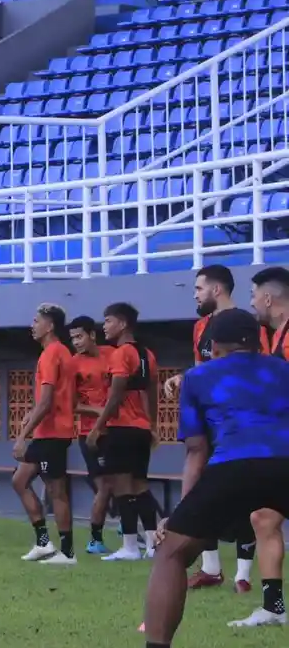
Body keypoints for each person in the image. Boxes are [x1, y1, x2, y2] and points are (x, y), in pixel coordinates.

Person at [144, 308, 289, 646]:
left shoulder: (198, 377)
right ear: (258, 342)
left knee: (171, 554)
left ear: (215, 346)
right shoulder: (284, 370)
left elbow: (196, 451)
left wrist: (181, 513)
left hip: (232, 466)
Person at [164, 265, 261, 590]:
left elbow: (256, 368)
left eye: (198, 288)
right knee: (204, 487)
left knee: (247, 492)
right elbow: (202, 367)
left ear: (216, 289)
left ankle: (244, 575)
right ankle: (210, 568)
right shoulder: (200, 327)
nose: (195, 295)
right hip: (209, 417)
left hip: (241, 420)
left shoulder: (247, 323)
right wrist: (183, 378)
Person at [87, 302, 160, 562]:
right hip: (141, 429)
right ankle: (153, 543)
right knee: (140, 486)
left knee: (120, 487)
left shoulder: (120, 354)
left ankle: (130, 546)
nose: (104, 326)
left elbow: (116, 395)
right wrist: (153, 425)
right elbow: (152, 392)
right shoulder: (147, 354)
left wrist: (98, 427)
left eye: (108, 321)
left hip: (122, 428)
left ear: (123, 323)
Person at [242, 265, 289, 627]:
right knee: (263, 517)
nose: (252, 302)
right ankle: (274, 608)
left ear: (269, 298)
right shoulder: (276, 338)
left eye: (254, 295)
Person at [12, 304, 77, 564]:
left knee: (56, 491)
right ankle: (43, 542)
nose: (33, 325)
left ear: (49, 326)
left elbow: (47, 400)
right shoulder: (59, 352)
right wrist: (32, 414)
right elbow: (52, 397)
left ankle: (68, 553)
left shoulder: (52, 353)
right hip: (47, 432)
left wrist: (22, 436)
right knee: (19, 481)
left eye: (36, 320)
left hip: (53, 433)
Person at [67, 315, 116, 554]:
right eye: (73, 338)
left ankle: (126, 530)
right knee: (105, 486)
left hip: (116, 429)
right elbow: (71, 404)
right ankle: (95, 539)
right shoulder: (73, 364)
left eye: (80, 336)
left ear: (92, 335)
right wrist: (99, 412)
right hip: (91, 434)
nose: (76, 342)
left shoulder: (112, 354)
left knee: (121, 483)